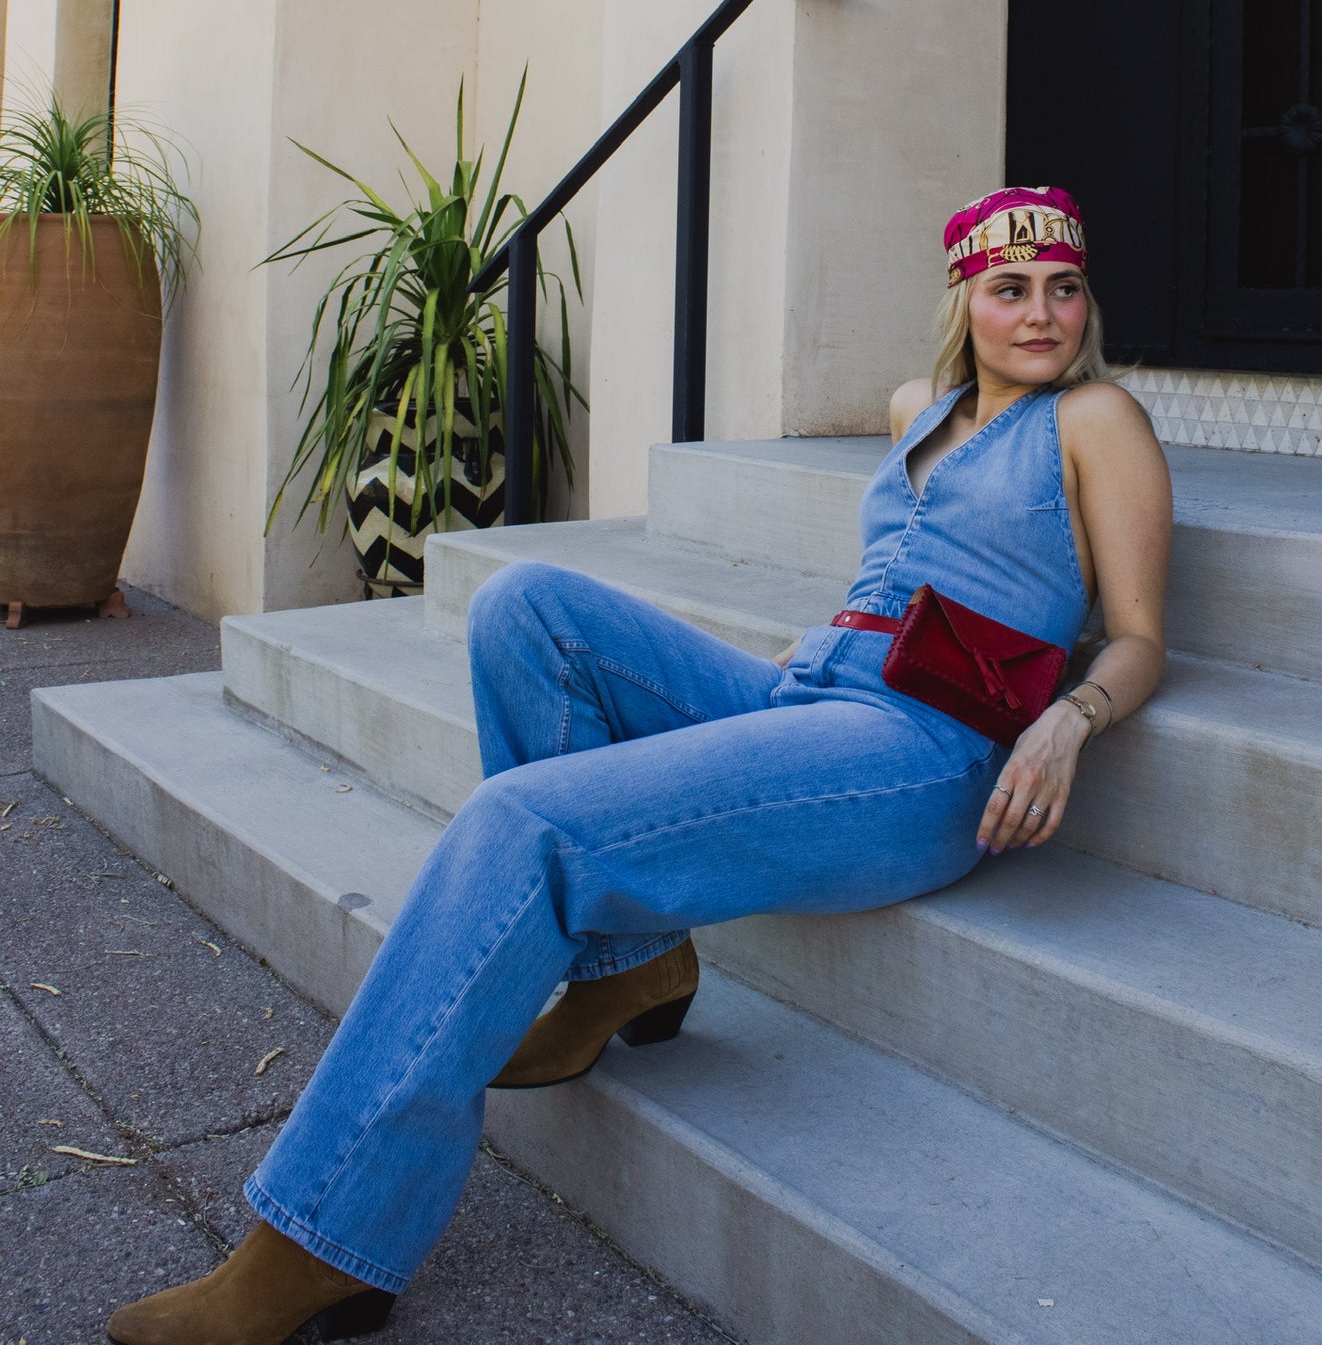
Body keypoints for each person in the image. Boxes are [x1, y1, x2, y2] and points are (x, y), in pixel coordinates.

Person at [108, 184, 1171, 1345]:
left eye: (1061, 287)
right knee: (527, 608)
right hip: (812, 687)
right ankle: (631, 968)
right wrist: (828, 640)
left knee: (527, 822)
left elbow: (1137, 635)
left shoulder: (1093, 419)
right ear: (961, 299)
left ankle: (319, 1234)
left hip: (917, 749)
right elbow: (908, 563)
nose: (1039, 313)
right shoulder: (921, 406)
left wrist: (1068, 719)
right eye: (1007, 288)